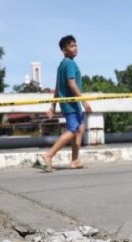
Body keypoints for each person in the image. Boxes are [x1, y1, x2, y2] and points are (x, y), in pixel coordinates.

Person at [40, 35, 92, 172]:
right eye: (71, 46)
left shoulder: (61, 65)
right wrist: (85, 102)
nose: (75, 48)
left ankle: (75, 161)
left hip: (69, 103)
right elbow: (72, 84)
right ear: (64, 50)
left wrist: (53, 106)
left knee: (80, 128)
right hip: (71, 103)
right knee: (73, 129)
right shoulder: (69, 64)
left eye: (76, 45)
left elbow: (57, 87)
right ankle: (48, 155)